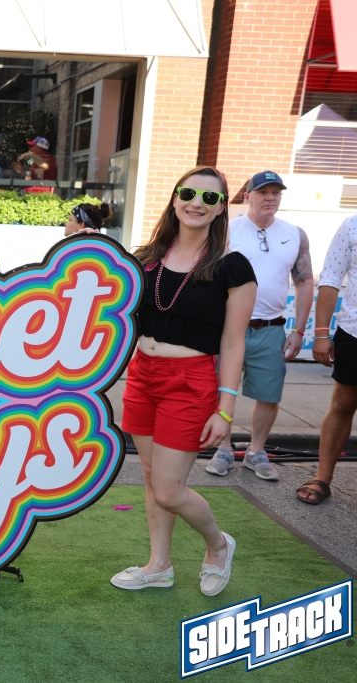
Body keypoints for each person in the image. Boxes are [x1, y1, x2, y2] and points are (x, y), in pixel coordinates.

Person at [112, 166, 256, 597]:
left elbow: (233, 344)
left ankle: (218, 544)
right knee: (152, 476)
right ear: (175, 198)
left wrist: (225, 410)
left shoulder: (232, 267)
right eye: (189, 194)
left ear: (221, 208)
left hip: (190, 382)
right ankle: (159, 566)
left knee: (168, 490)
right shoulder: (145, 258)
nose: (197, 203)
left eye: (210, 198)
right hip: (143, 375)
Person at [206, 171, 314, 482]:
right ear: (247, 197)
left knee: (269, 394)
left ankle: (256, 452)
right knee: (221, 389)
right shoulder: (226, 230)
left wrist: (299, 330)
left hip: (271, 327)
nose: (270, 198)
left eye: (276, 192)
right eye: (263, 192)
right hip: (228, 327)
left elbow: (304, 282)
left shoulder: (295, 234)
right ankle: (224, 449)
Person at [300, 215, 357, 504]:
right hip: (354, 332)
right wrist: (322, 333)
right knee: (342, 405)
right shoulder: (352, 225)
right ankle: (323, 477)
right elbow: (331, 279)